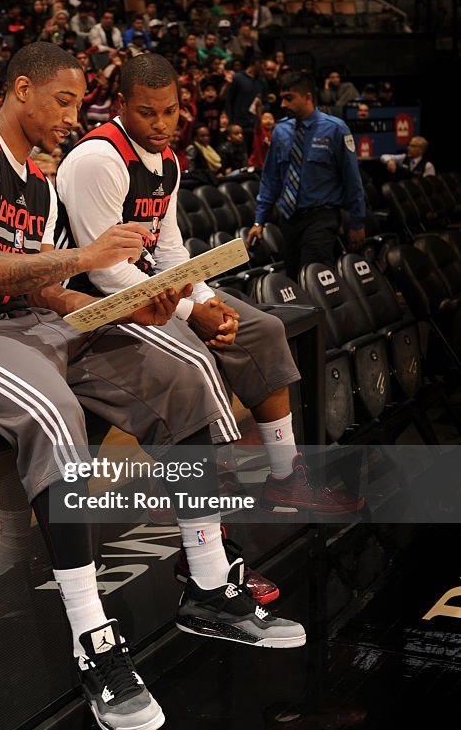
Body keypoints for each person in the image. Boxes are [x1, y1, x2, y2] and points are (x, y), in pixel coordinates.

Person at [0, 42, 306, 730]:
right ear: (21, 89)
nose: (73, 115)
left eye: (79, 103)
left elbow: (39, 283)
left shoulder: (38, 178)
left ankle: (207, 583)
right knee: (56, 412)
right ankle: (94, 640)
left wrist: (122, 304)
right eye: (63, 101)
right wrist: (86, 260)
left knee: (180, 374)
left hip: (27, 323)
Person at [57, 53, 363, 524]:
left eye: (171, 111)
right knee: (193, 359)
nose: (161, 124)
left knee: (261, 329)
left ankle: (286, 477)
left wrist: (205, 299)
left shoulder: (168, 161)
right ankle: (210, 505)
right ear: (121, 105)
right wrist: (188, 314)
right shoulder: (98, 159)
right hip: (101, 306)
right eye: (146, 113)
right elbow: (105, 273)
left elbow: (171, 248)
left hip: (154, 290)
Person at [248, 71, 366, 280]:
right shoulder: (281, 131)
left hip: (322, 216)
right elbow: (270, 180)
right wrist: (259, 221)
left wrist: (357, 223)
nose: (282, 103)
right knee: (294, 278)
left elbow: (352, 179)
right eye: (282, 97)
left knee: (315, 277)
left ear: (308, 97)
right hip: (289, 219)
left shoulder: (335, 129)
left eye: (289, 98)